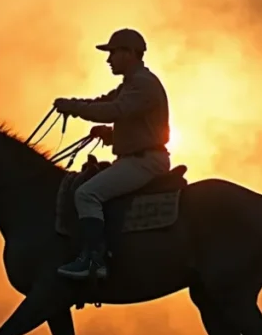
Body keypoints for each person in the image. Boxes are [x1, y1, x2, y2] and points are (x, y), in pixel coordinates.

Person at [52, 28, 172, 280]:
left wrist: (72, 108)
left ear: (129, 53)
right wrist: (109, 134)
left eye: (112, 53)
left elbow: (114, 110)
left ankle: (94, 260)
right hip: (138, 158)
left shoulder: (142, 83)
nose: (108, 60)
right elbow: (106, 104)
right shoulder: (131, 84)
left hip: (145, 162)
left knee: (86, 193)